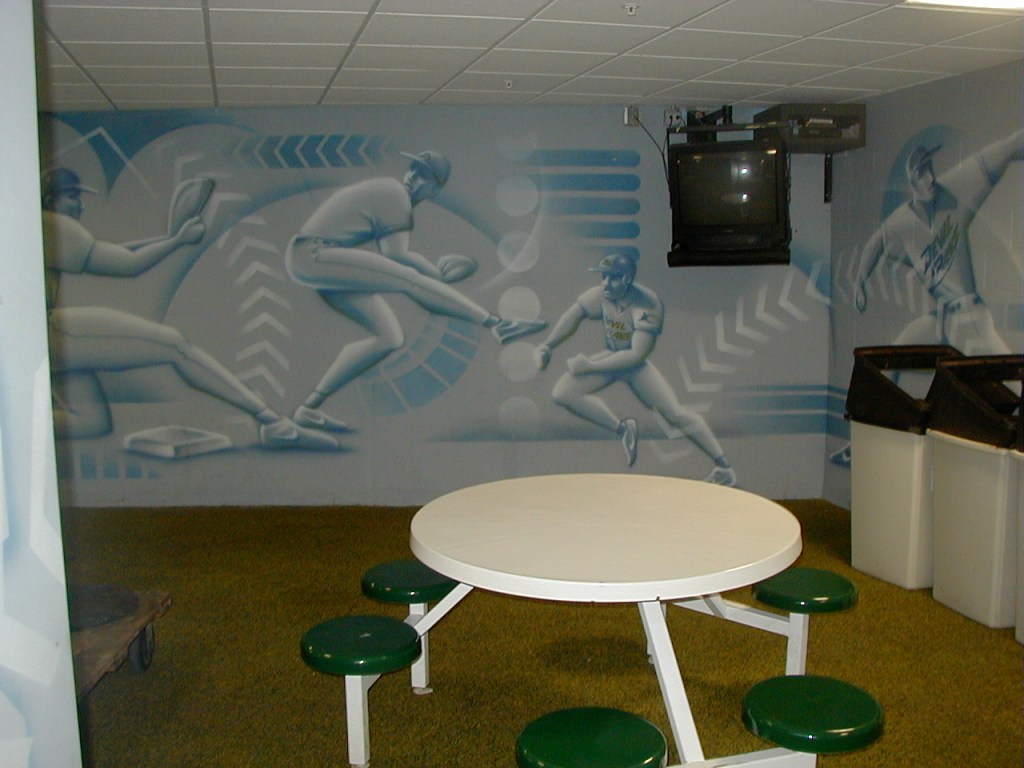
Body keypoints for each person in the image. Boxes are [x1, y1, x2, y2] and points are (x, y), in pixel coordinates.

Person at [42, 167, 339, 450]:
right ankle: (275, 424)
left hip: (34, 340)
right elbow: (127, 264)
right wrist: (177, 242)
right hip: (47, 332)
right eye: (73, 197)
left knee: (90, 422)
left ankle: (21, 425)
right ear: (51, 200)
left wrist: (172, 240)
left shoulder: (39, 226)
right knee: (175, 345)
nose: (81, 205)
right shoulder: (53, 224)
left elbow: (115, 252)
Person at [284, 150, 546, 432]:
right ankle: (496, 323)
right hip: (313, 254)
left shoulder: (397, 199)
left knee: (390, 338)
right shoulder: (394, 192)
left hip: (320, 259)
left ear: (434, 190)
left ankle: (308, 408)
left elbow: (397, 257)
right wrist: (436, 275)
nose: (412, 177)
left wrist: (434, 277)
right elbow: (396, 256)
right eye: (413, 169)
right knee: (408, 279)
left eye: (423, 176)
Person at [831, 128, 1024, 466]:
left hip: (969, 316)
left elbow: (1005, 148)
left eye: (930, 169)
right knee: (885, 364)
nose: (930, 177)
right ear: (912, 181)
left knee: (1011, 379)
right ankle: (860, 443)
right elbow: (875, 243)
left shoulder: (954, 189)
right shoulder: (902, 221)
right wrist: (860, 283)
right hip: (941, 319)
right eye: (922, 173)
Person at [534, 252, 736, 485]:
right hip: (611, 357)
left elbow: (636, 355)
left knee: (675, 414)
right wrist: (548, 345)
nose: (605, 283)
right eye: (603, 276)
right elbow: (574, 314)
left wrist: (590, 366)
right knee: (563, 393)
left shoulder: (647, 303)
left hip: (635, 367)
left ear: (627, 279)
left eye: (613, 278)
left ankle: (724, 467)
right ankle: (623, 429)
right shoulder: (603, 293)